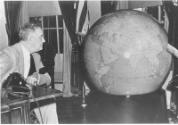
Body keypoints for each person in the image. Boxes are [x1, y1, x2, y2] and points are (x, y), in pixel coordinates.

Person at [0, 23, 58, 124]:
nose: (44, 40)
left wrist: (37, 78)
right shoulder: (10, 54)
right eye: (41, 37)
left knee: (49, 103)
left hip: (23, 99)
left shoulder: (35, 56)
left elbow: (48, 78)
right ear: (31, 39)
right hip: (8, 104)